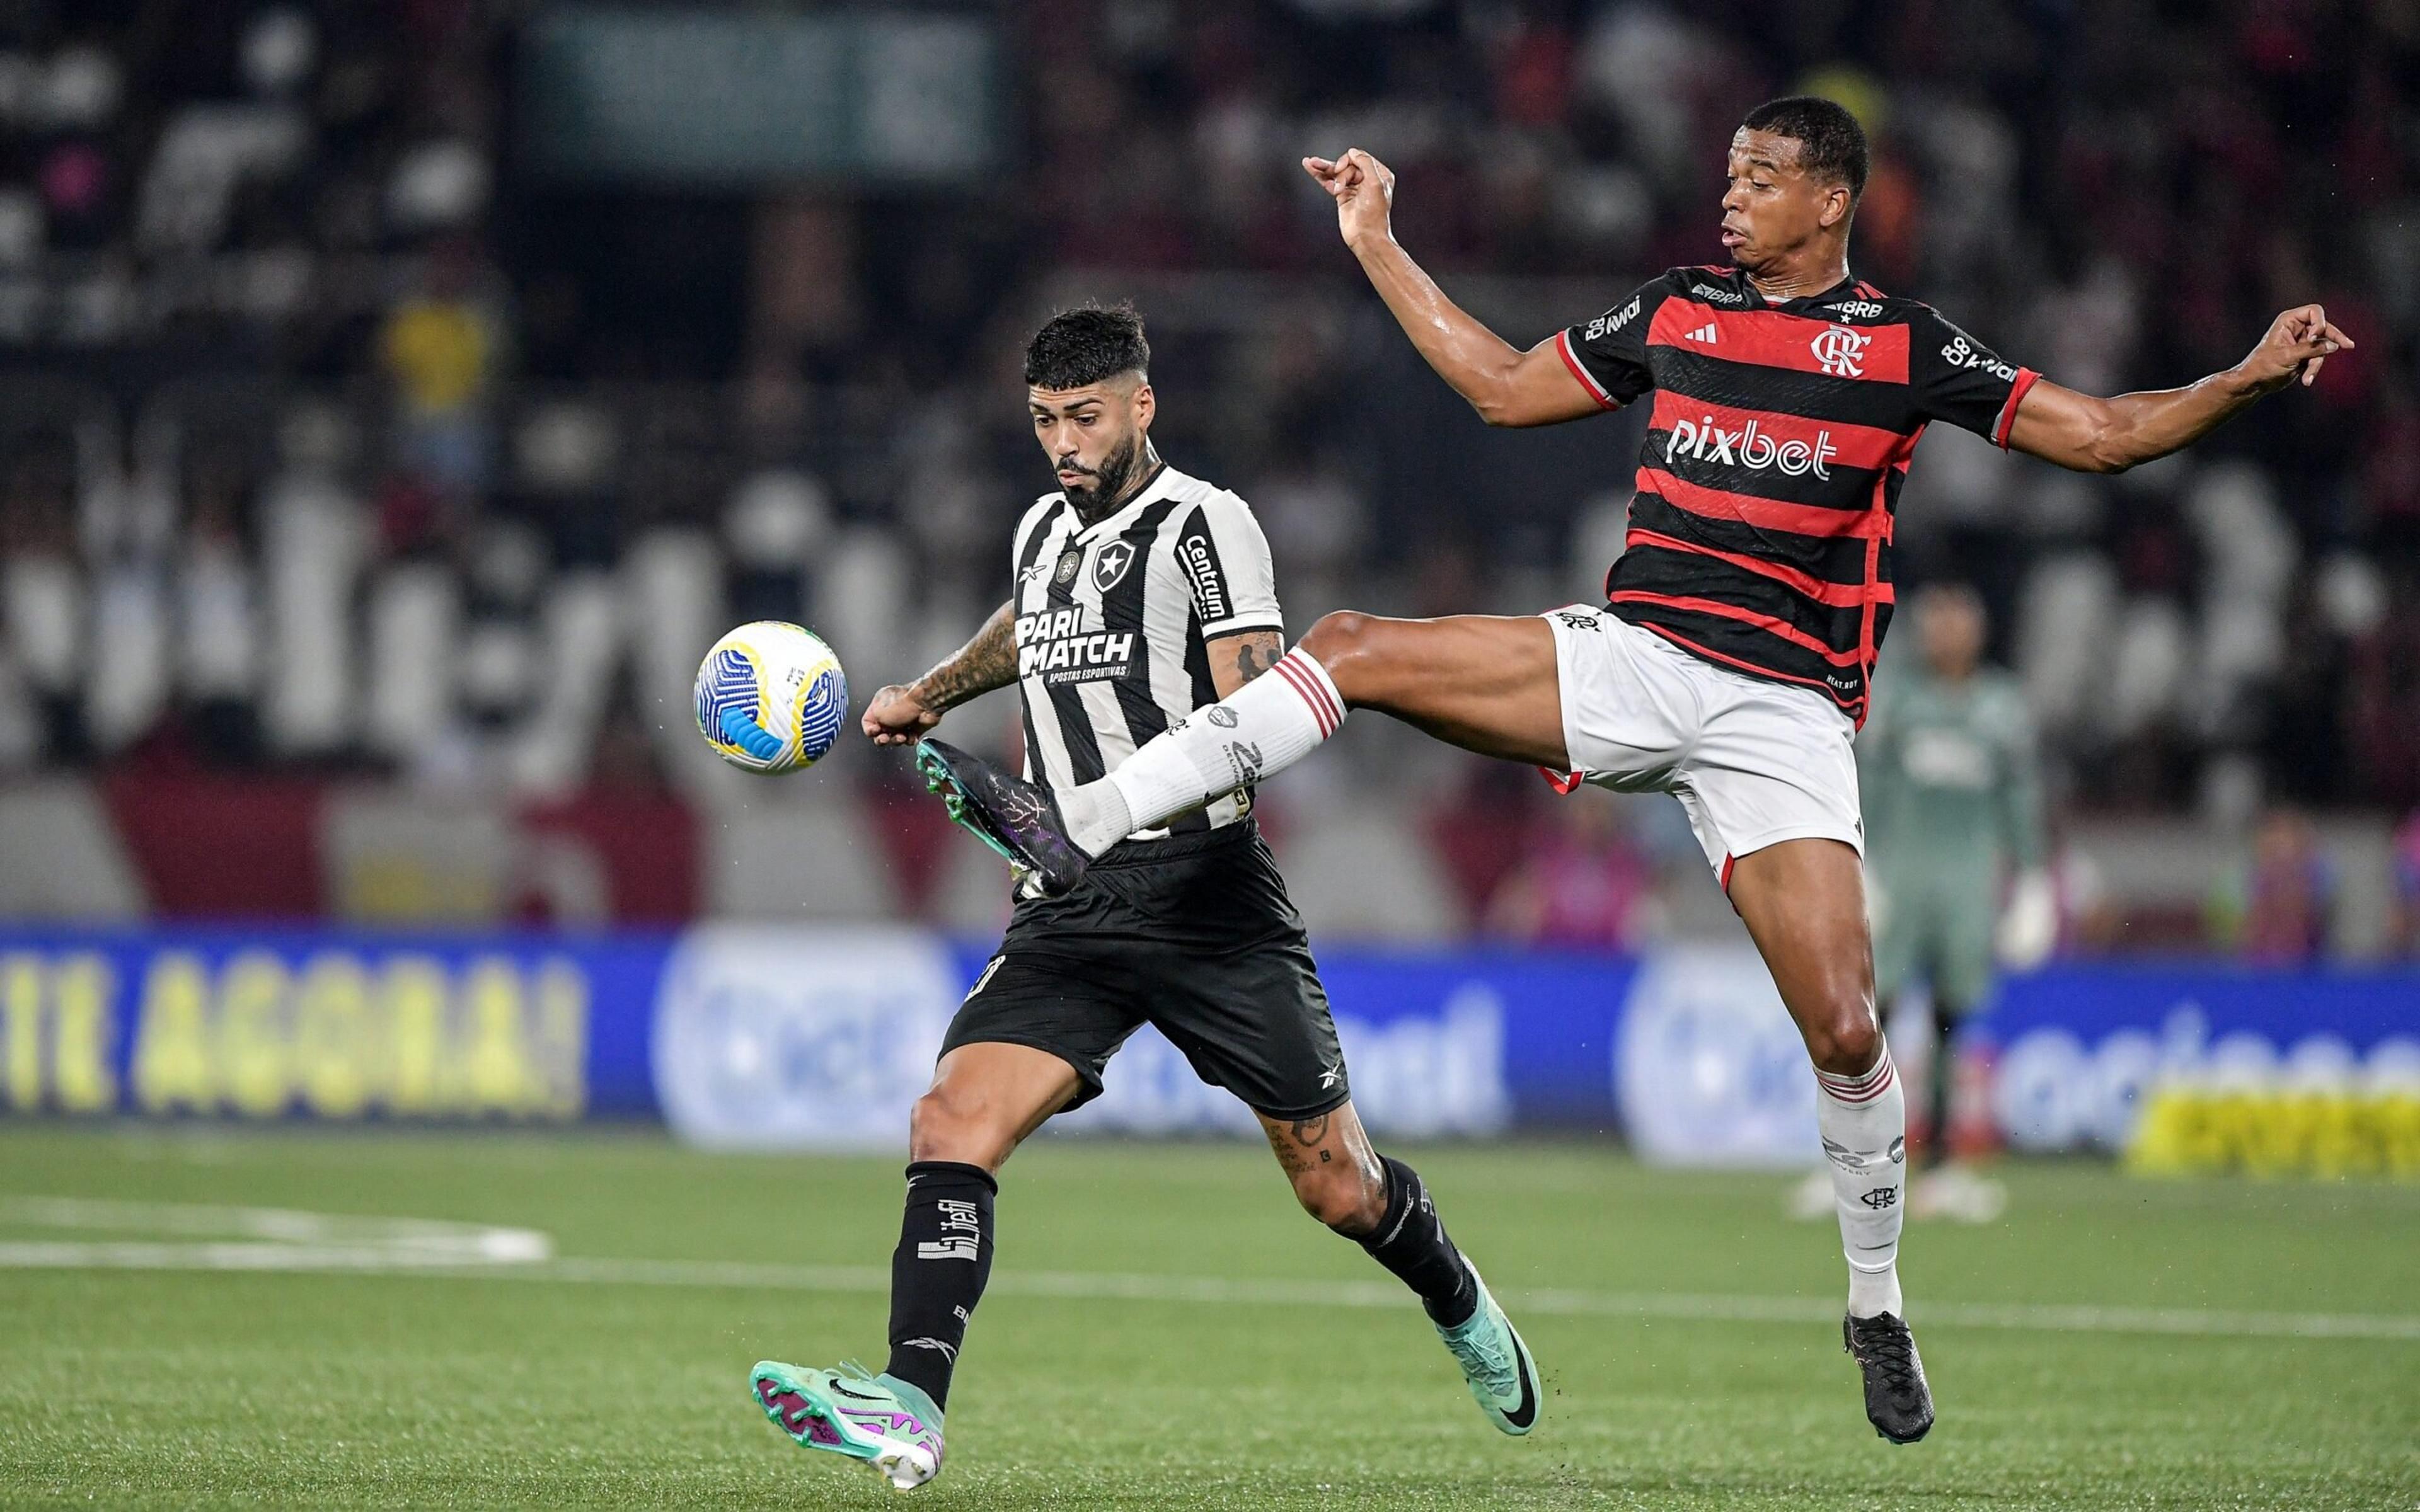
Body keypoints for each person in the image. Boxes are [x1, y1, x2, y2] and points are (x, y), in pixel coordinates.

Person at [914, 98, 2353, 1447]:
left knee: (1848, 1028)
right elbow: (1491, 386)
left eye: (1757, 177)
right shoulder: (1676, 309)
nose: (1727, 194)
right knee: (1351, 640)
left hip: (1781, 712)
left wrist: (2239, 373)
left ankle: (1873, 1300)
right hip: (1634, 654)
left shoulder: (1904, 347)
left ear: (1830, 197)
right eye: (1724, 174)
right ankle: (1092, 811)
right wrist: (1373, 240)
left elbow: (2095, 437)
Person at [750, 306, 1538, 1492]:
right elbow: (1031, 627)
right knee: (951, 1124)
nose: (1063, 443)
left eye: (1084, 417)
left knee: (1338, 1187)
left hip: (1209, 898)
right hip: (1068, 907)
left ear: (1140, 406)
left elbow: (1261, 714)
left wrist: (1112, 801)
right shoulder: (1038, 530)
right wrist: (932, 690)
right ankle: (911, 1402)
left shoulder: (1208, 525)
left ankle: (1457, 1296)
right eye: (1043, 422)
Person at [1851, 583, 2048, 1224]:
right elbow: (1868, 784)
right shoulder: (1900, 700)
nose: (1946, 635)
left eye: (1958, 622)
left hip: (1968, 882)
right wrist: (1862, 866)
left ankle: (1938, 1162)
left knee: (1950, 1018)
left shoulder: (2003, 705)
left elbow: (2020, 797)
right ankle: (1857, 1161)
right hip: (1903, 874)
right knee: (1869, 1016)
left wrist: (2035, 880)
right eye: (1937, 623)